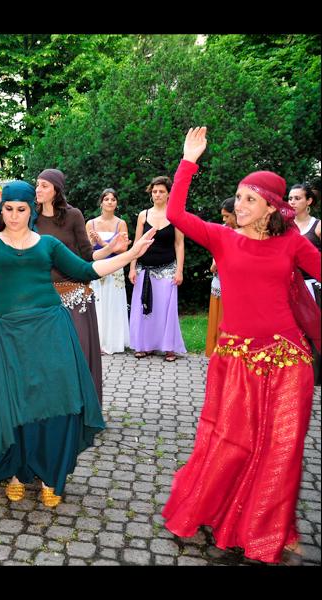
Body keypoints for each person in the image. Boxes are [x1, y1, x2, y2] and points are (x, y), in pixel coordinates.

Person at [161, 127, 321, 564]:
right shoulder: (221, 237)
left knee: (281, 450)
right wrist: (188, 160)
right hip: (236, 362)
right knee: (231, 443)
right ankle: (222, 512)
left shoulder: (293, 244)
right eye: (238, 198)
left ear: (272, 206)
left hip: (289, 363)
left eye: (250, 199)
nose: (240, 205)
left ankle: (264, 531)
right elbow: (175, 212)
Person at [0, 166, 154, 508]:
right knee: (16, 405)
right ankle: (18, 472)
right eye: (9, 209)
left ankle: (51, 473)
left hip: (51, 329)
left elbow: (85, 270)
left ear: (30, 211)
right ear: (1, 210)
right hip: (8, 334)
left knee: (56, 404)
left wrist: (130, 254)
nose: (15, 215)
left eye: (22, 209)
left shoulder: (47, 245)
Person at [35, 169, 103, 404]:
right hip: (43, 296)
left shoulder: (73, 215)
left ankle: (82, 405)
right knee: (48, 356)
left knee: (78, 353)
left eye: (44, 185)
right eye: (37, 185)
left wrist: (111, 250)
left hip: (73, 294)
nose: (38, 190)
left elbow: (86, 255)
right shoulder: (31, 219)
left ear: (56, 189)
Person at [128, 174, 187, 361]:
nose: (158, 194)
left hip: (168, 269)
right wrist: (131, 267)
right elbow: (137, 243)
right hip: (144, 269)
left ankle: (168, 347)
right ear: (150, 194)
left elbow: (179, 244)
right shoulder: (143, 215)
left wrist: (179, 270)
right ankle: (143, 346)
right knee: (144, 309)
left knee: (165, 310)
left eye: (162, 191)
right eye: (154, 191)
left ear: (169, 194)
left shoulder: (176, 215)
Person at [86, 188, 130, 355]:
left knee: (112, 304)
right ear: (101, 202)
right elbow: (85, 250)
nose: (110, 202)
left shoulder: (121, 224)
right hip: (96, 268)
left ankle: (113, 342)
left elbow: (123, 250)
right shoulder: (91, 223)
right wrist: (92, 241)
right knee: (97, 304)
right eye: (107, 199)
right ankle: (96, 342)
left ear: (116, 203)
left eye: (113, 199)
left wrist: (104, 244)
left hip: (114, 269)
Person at [288, 182, 321, 385]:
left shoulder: (317, 226)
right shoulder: (284, 225)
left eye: (297, 198)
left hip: (311, 287)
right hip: (287, 287)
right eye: (290, 198)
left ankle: (314, 377)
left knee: (313, 332)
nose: (292, 202)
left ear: (309, 201)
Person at [204, 198, 236, 358]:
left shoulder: (247, 232)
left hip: (236, 283)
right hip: (219, 279)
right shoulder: (222, 230)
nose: (224, 220)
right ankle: (218, 354)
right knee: (218, 316)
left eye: (227, 216)